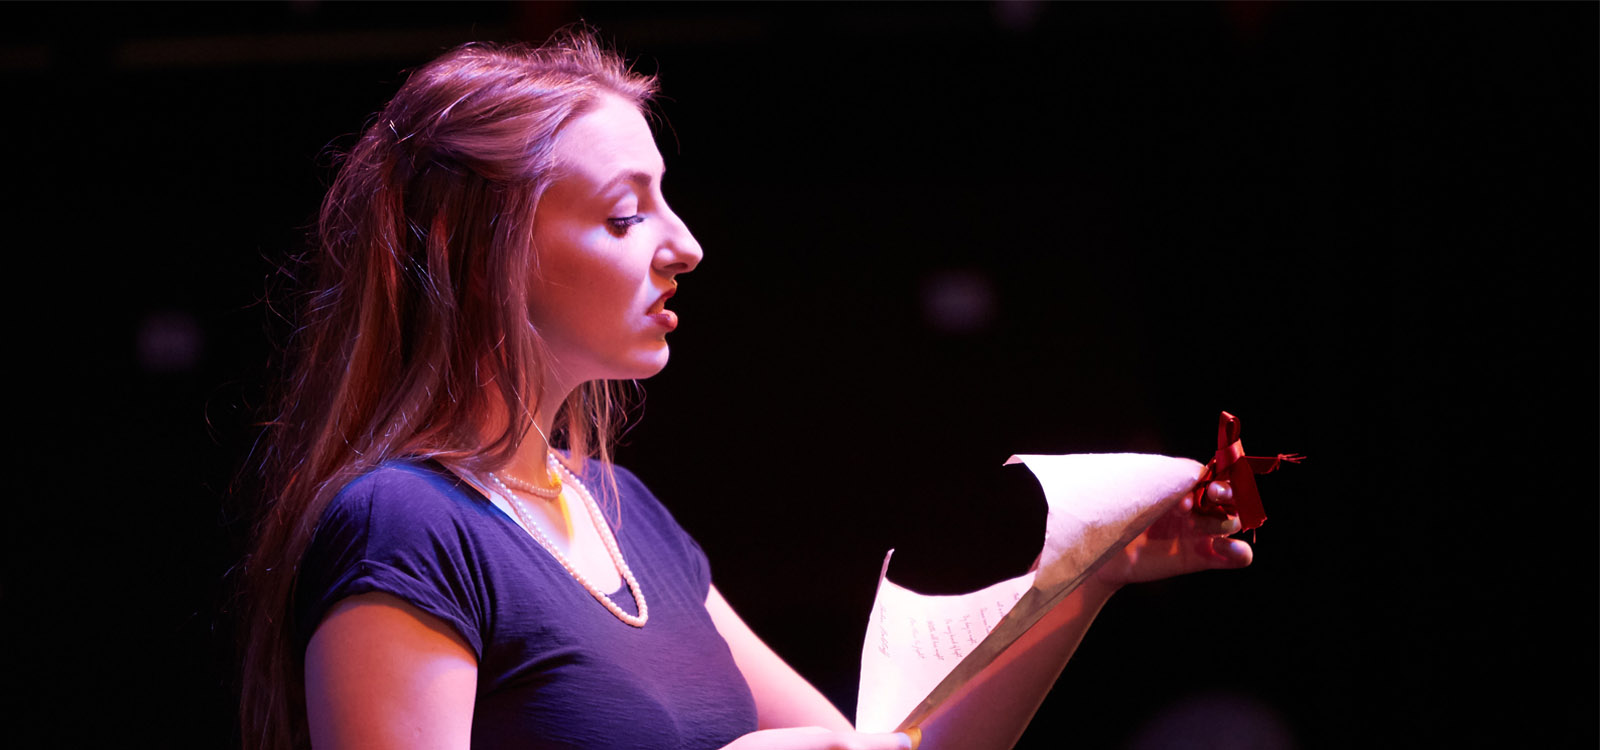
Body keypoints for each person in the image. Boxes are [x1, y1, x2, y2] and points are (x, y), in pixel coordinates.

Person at [238, 32, 1253, 750]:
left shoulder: (625, 518)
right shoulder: (408, 527)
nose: (685, 246)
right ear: (480, 255)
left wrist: (1088, 573)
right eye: (626, 216)